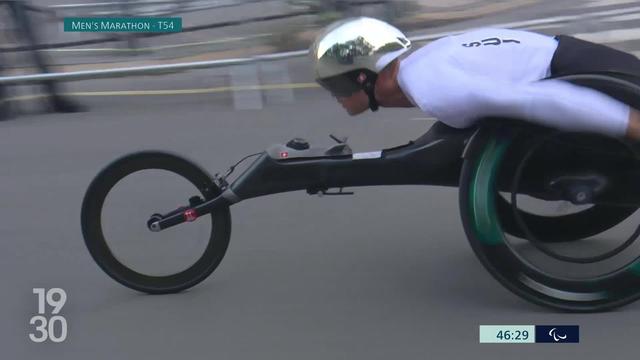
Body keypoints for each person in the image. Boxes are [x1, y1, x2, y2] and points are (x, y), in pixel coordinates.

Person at [309, 17, 640, 140]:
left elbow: (539, 101)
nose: (335, 95)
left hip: (582, 74)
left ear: (365, 77)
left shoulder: (433, 88)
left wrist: (629, 122)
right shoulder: (421, 69)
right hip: (572, 60)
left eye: (336, 85)